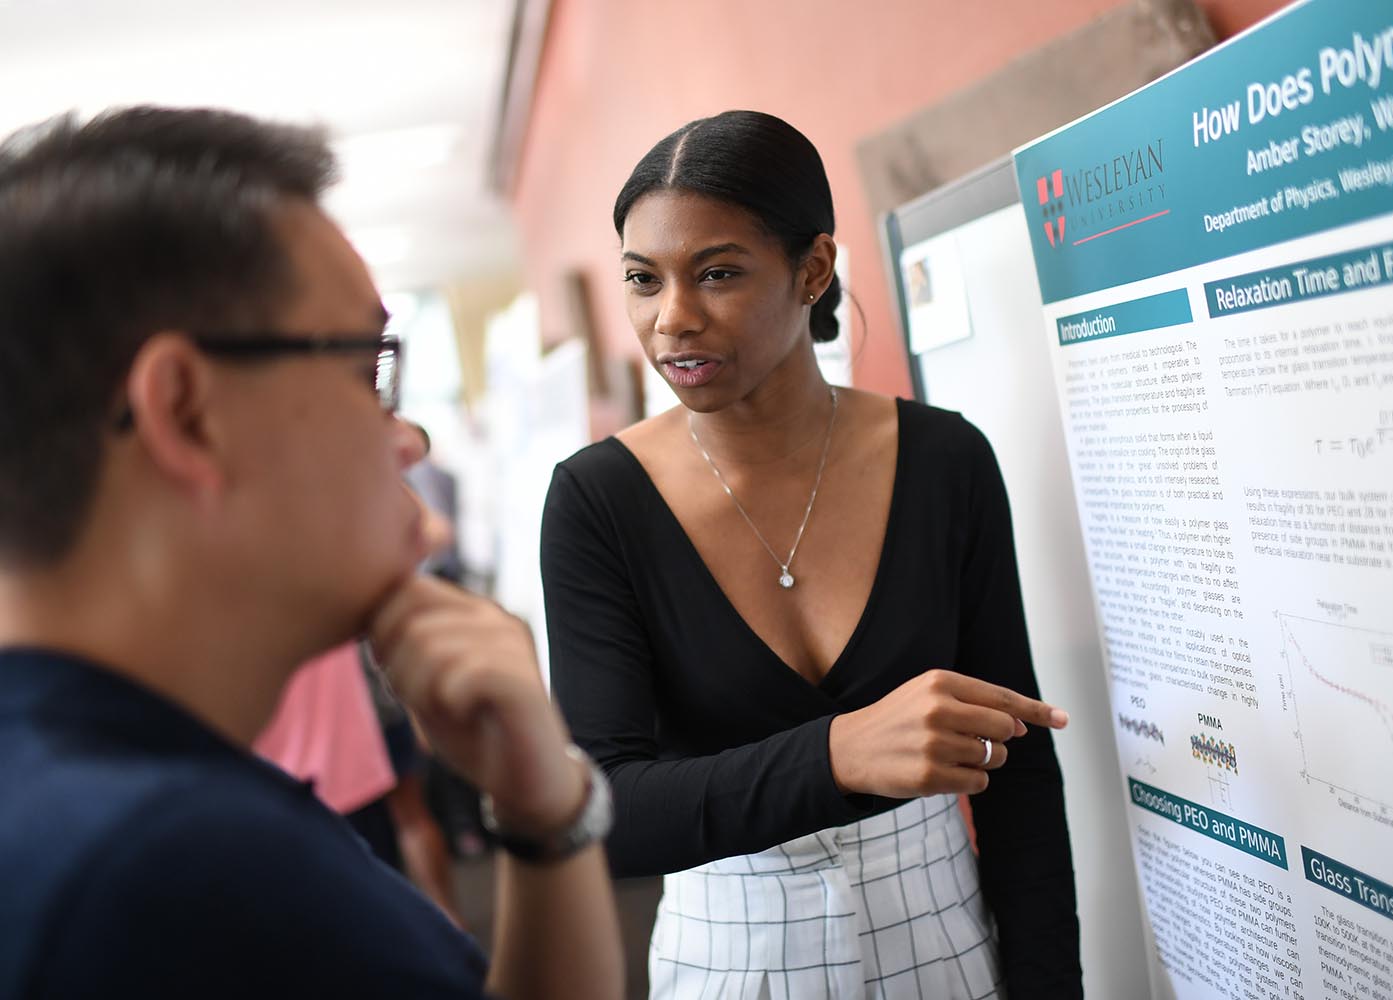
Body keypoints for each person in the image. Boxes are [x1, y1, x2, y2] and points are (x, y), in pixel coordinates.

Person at [0, 106, 623, 1000]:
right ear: (187, 412)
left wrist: (541, 815)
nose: (404, 438)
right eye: (366, 369)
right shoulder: (175, 868)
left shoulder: (100, 794)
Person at [540, 110, 1083, 999]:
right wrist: (837, 753)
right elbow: (606, 813)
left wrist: (1049, 985)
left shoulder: (945, 460)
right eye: (644, 280)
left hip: (947, 943)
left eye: (716, 273)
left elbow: (1017, 767)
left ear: (813, 269)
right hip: (730, 958)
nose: (672, 319)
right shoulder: (599, 499)